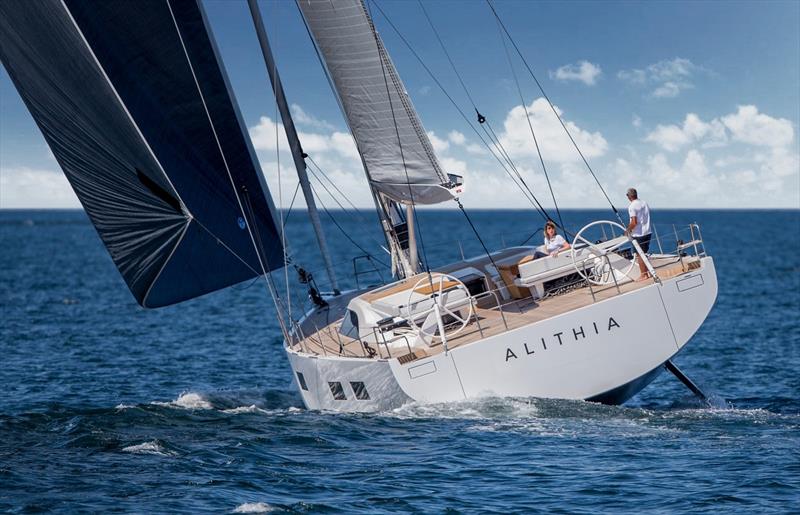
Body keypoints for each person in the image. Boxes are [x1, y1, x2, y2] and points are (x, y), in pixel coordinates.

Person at [624, 187, 652, 281]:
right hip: (648, 232)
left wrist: (627, 230)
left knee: (640, 255)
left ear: (629, 196)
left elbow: (634, 222)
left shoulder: (632, 206)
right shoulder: (644, 203)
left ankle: (644, 275)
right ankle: (648, 273)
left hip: (639, 234)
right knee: (644, 253)